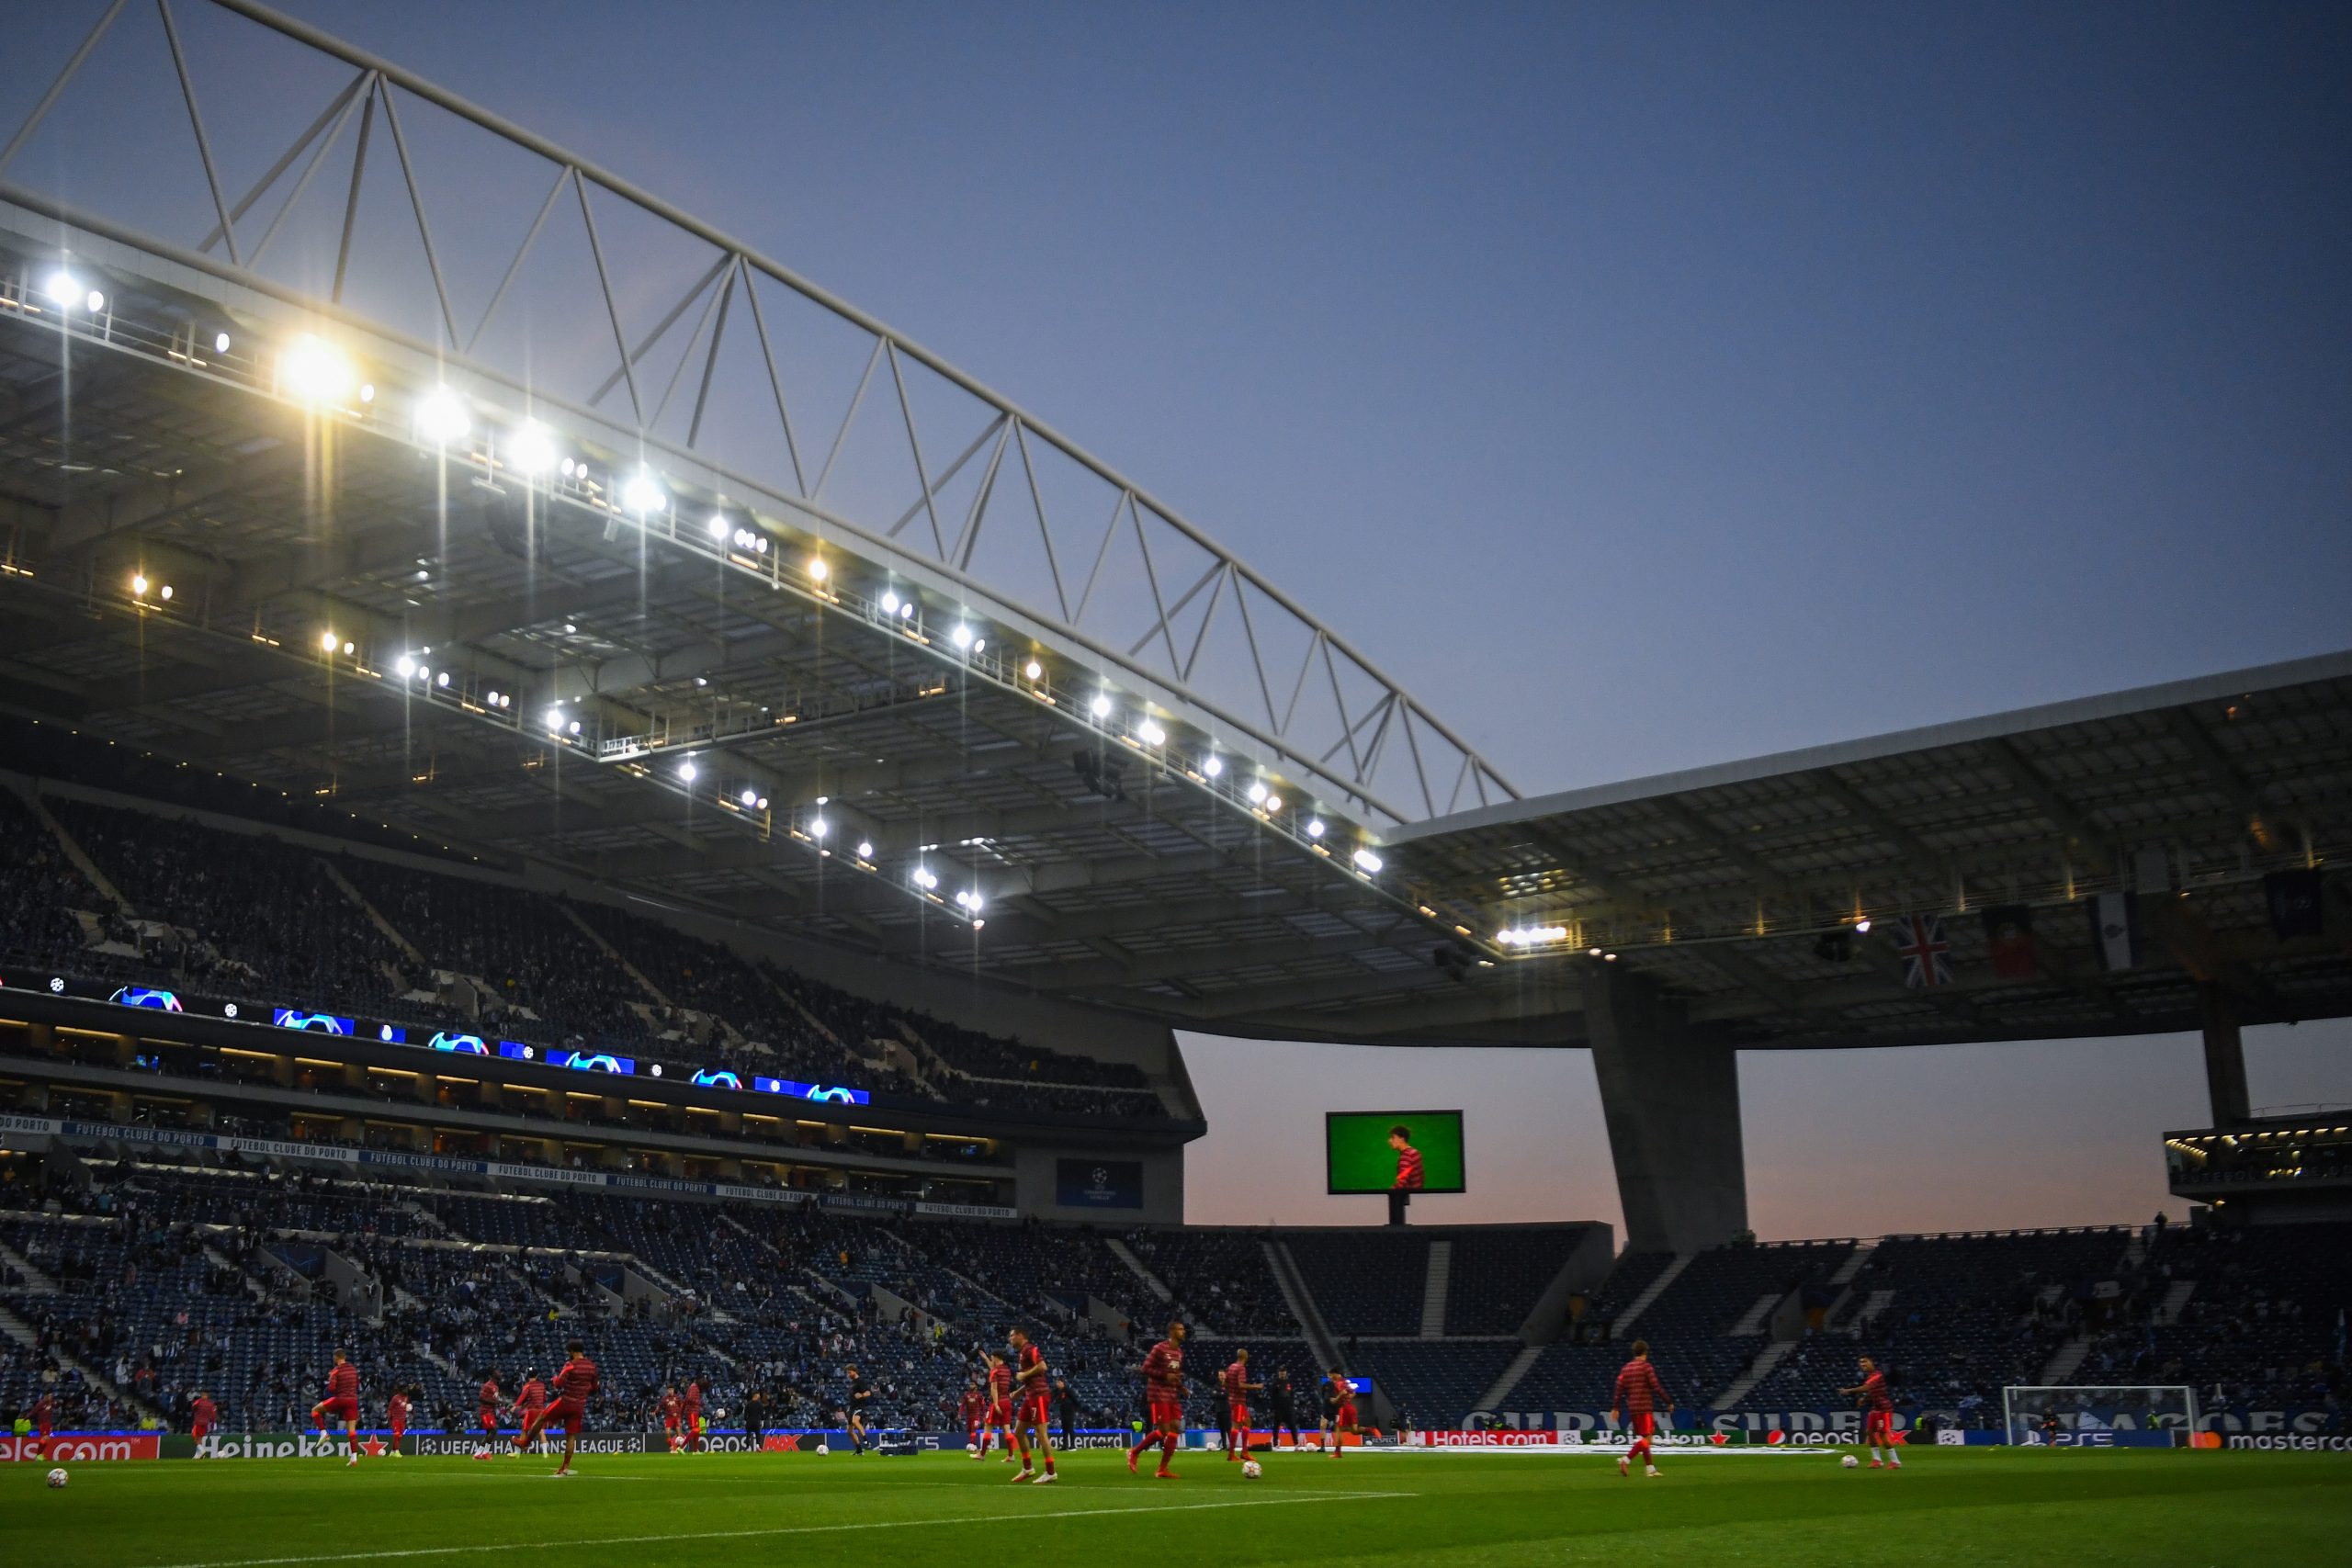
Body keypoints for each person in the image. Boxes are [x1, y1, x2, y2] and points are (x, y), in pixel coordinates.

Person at [514, 1339, 597, 1477]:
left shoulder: (570, 1365)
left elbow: (559, 1384)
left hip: (566, 1401)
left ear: (572, 1351)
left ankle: (525, 1443)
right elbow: (594, 1387)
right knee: (571, 1436)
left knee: (541, 1418)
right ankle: (565, 1468)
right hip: (579, 1405)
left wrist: (554, 1379)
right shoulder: (592, 1366)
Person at [1126, 1319, 1187, 1480]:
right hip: (1158, 1393)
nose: (1183, 1332)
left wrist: (1181, 1387)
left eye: (1183, 1329)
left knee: (1175, 1428)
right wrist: (1164, 1375)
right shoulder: (1159, 1348)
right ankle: (1134, 1452)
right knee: (1164, 1431)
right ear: (1172, 1331)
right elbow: (1145, 1368)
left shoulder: (1179, 1352)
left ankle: (1162, 1469)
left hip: (1172, 1395)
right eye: (1180, 1329)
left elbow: (1175, 1375)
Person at [1611, 1339, 1672, 1479]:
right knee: (1648, 1439)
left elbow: (1619, 1388)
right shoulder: (1646, 1367)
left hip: (1632, 1408)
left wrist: (1615, 1407)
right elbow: (1656, 1386)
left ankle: (1650, 1470)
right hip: (1644, 1407)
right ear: (1645, 1352)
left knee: (1644, 1439)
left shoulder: (1626, 1368)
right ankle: (1626, 1460)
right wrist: (1668, 1401)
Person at [1007, 1326, 1057, 1483]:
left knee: (1041, 1434)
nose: (1010, 1339)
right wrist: (1019, 1392)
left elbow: (1042, 1367)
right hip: (1030, 1395)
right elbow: (1031, 1378)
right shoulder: (1022, 1352)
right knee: (1018, 1432)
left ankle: (1051, 1472)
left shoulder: (1030, 1349)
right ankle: (1028, 1468)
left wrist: (1024, 1374)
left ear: (1020, 1335)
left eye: (1012, 1336)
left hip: (1039, 1395)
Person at [1839, 1357, 1901, 1470]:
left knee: (1882, 1434)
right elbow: (1871, 1391)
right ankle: (1877, 1460)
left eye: (1865, 1362)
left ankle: (1895, 1461)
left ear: (1871, 1362)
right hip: (1875, 1408)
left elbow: (1867, 1387)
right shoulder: (1870, 1376)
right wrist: (1865, 1399)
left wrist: (1849, 1390)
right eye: (1861, 1363)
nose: (1863, 1364)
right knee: (1870, 1432)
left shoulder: (1877, 1375)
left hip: (1883, 1409)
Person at [309, 1348, 363, 1468]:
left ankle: (324, 1433)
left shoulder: (335, 1371)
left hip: (340, 1399)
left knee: (315, 1410)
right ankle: (354, 1458)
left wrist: (331, 1381)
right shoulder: (353, 1369)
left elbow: (331, 1389)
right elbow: (357, 1385)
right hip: (352, 1401)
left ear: (336, 1357)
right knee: (351, 1430)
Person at [1223, 1348, 1261, 1464]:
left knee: (1247, 1422)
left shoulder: (1231, 1367)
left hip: (1235, 1400)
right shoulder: (1241, 1368)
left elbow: (1224, 1383)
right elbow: (1241, 1385)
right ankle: (1231, 1455)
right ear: (1246, 1356)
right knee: (1236, 1426)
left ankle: (1244, 1452)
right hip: (1238, 1401)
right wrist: (1255, 1386)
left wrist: (1231, 1392)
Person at [1387, 1123, 1424, 1225]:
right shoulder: (1414, 1152)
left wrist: (1388, 1191)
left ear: (1402, 1139)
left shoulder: (1406, 1157)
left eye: (1393, 1137)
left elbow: (1401, 1183)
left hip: (1408, 1196)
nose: (1389, 1141)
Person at [985, 1353, 1016, 1463]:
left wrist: (996, 1404)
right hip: (1007, 1401)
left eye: (992, 1357)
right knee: (1007, 1429)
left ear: (996, 1357)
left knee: (988, 1426)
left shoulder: (995, 1371)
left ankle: (982, 1454)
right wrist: (985, 1358)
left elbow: (994, 1389)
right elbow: (994, 1368)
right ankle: (1011, 1455)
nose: (991, 1359)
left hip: (998, 1401)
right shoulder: (1007, 1370)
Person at [1325, 1369, 1359, 1459]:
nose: (1329, 1377)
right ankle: (1370, 1429)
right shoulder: (1345, 1382)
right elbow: (1353, 1393)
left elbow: (1337, 1398)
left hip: (1342, 1409)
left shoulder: (1338, 1383)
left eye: (1330, 1375)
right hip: (1350, 1407)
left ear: (1335, 1374)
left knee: (1338, 1429)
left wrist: (1337, 1398)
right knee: (1353, 1430)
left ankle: (1338, 1453)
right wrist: (1348, 1398)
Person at [515, 1369, 548, 1456]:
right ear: (537, 1375)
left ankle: (517, 1453)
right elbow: (545, 1399)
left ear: (528, 1376)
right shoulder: (542, 1385)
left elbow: (522, 1397)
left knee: (524, 1430)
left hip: (531, 1411)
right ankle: (545, 1454)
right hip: (541, 1411)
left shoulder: (527, 1385)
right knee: (541, 1431)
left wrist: (516, 1405)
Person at [474, 1370, 504, 1461]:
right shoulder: (488, 1385)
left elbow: (493, 1399)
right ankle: (485, 1452)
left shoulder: (496, 1386)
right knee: (494, 1430)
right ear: (493, 1375)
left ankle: (478, 1454)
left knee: (489, 1433)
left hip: (490, 1411)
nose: (500, 1373)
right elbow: (481, 1397)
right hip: (485, 1411)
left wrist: (498, 1402)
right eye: (498, 1372)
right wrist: (496, 1402)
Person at [1267, 1368, 1301, 1449]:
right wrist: (1274, 1407)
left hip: (1288, 1407)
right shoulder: (1275, 1383)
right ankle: (1275, 1444)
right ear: (1279, 1373)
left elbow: (1292, 1394)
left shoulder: (1289, 1382)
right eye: (1281, 1372)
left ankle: (1296, 1444)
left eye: (1283, 1372)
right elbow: (1272, 1396)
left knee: (1292, 1425)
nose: (1282, 1373)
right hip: (1279, 1408)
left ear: (1286, 1373)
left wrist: (1292, 1405)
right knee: (1276, 1425)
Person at [843, 1365, 872, 1456]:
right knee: (849, 1432)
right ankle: (859, 1450)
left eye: (849, 1372)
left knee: (855, 1421)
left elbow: (868, 1392)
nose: (848, 1374)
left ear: (854, 1371)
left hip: (859, 1406)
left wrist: (862, 1395)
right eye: (847, 1373)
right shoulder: (853, 1382)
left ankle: (866, 1440)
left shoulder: (860, 1381)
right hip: (852, 1407)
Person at [960, 1379, 989, 1459]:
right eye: (970, 1384)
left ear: (976, 1386)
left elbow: (982, 1406)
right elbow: (963, 1405)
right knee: (970, 1431)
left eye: (972, 1384)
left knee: (973, 1430)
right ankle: (974, 1446)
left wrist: (984, 1416)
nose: (971, 1386)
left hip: (976, 1416)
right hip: (968, 1416)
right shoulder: (966, 1395)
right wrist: (960, 1414)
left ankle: (972, 1445)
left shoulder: (979, 1395)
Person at [1055, 1378, 1080, 1450]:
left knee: (1070, 1428)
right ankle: (1065, 1445)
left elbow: (1075, 1399)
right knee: (1064, 1429)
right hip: (1063, 1412)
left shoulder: (1068, 1390)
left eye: (1058, 1382)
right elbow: (1058, 1400)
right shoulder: (1060, 1391)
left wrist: (1076, 1408)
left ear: (1062, 1383)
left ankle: (1073, 1446)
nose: (1057, 1384)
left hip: (1069, 1412)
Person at [387, 1385, 412, 1459]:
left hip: (402, 1420)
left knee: (400, 1436)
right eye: (405, 1389)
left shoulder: (406, 1397)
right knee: (396, 1435)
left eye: (406, 1389)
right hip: (396, 1419)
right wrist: (389, 1418)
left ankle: (393, 1451)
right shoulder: (395, 1398)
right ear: (401, 1390)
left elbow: (405, 1407)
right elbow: (390, 1408)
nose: (406, 1390)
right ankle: (397, 1451)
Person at [683, 1379, 707, 1454]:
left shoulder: (693, 1387)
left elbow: (686, 1399)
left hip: (694, 1412)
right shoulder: (694, 1388)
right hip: (692, 1412)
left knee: (697, 1431)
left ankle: (695, 1450)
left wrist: (682, 1411)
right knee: (695, 1430)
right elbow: (690, 1399)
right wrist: (699, 1403)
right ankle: (681, 1447)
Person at [659, 1385, 684, 1454]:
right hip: (669, 1417)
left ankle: (678, 1448)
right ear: (667, 1390)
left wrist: (678, 1413)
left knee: (679, 1433)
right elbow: (660, 1406)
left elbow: (681, 1405)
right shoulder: (665, 1399)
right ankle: (671, 1447)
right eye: (669, 1390)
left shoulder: (677, 1397)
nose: (671, 1391)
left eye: (672, 1389)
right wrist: (655, 1412)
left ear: (673, 1390)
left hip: (676, 1417)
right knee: (667, 1433)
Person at [30, 1389, 53, 1461]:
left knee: (47, 1438)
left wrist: (50, 1425)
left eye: (51, 1396)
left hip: (48, 1423)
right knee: (45, 1437)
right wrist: (25, 1418)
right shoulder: (41, 1403)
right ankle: (38, 1455)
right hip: (43, 1423)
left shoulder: (50, 1403)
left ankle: (40, 1454)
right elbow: (33, 1411)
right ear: (45, 1396)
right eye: (49, 1396)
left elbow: (49, 1414)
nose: (51, 1397)